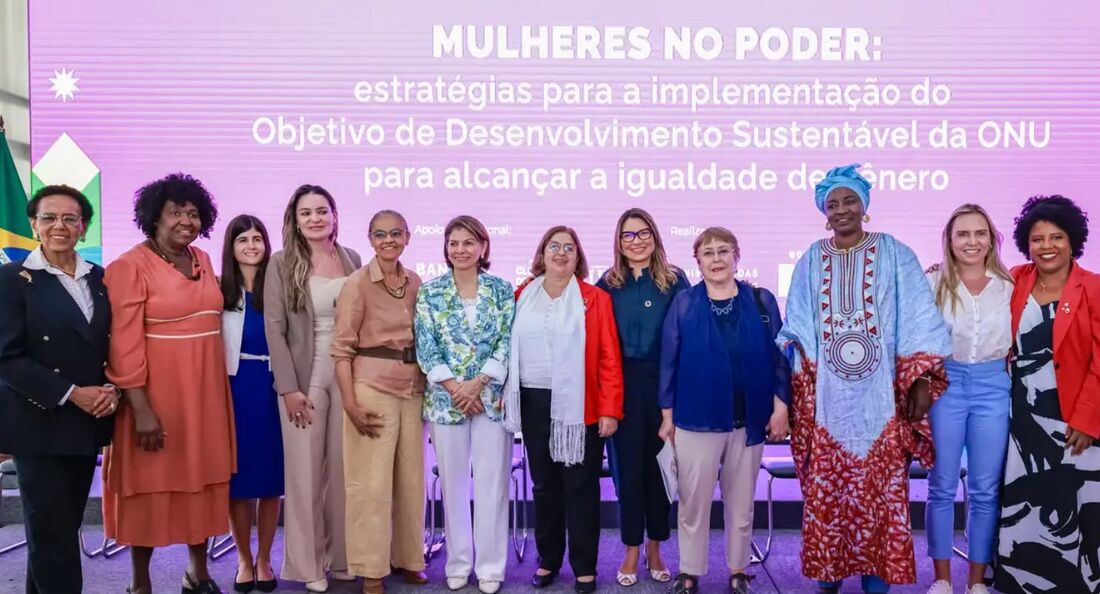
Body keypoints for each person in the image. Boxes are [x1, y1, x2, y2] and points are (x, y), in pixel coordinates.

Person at [778, 164, 952, 594]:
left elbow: (917, 319)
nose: (841, 210)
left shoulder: (895, 253)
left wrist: (918, 383)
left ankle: (878, 577)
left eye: (849, 201)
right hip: (828, 408)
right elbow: (797, 329)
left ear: (864, 206)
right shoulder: (811, 260)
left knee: (881, 495)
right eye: (832, 204)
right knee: (829, 496)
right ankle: (830, 575)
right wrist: (804, 391)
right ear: (824, 212)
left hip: (881, 406)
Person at [103, 173, 236, 594]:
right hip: (156, 397)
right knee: (151, 485)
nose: (186, 220)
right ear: (153, 218)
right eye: (175, 212)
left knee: (203, 479)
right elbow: (123, 344)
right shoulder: (128, 266)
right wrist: (140, 408)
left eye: (193, 213)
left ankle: (198, 572)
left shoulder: (203, 259)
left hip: (206, 393)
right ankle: (140, 583)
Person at [659, 227, 791, 594]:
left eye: (723, 251)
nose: (716, 259)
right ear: (697, 261)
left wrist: (781, 408)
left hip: (748, 421)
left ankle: (738, 569)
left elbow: (779, 360)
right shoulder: (684, 303)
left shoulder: (762, 301)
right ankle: (689, 571)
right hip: (695, 420)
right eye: (708, 253)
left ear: (737, 256)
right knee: (693, 504)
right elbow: (669, 362)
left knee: (741, 502)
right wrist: (667, 417)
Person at [0, 185, 118, 594]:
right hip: (40, 423)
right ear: (33, 224)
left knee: (60, 532)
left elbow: (111, 345)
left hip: (87, 425)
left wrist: (112, 390)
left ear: (84, 227)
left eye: (70, 218)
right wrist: (72, 392)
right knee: (53, 538)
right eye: (49, 217)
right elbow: (7, 358)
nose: (59, 226)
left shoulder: (101, 280)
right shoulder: (11, 280)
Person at [502, 225, 624, 594]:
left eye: (568, 248)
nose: (560, 253)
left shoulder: (594, 299)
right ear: (542, 254)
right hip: (534, 402)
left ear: (578, 258)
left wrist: (609, 410)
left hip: (581, 408)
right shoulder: (522, 295)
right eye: (553, 246)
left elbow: (608, 357)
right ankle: (548, 561)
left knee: (580, 487)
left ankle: (584, 567)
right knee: (545, 486)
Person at [995, 195, 1100, 594]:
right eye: (1038, 239)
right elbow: (974, 281)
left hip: (1077, 419)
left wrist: (1088, 419)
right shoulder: (1017, 279)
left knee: (1078, 510)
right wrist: (940, 272)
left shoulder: (1092, 287)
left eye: (1056, 237)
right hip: (1024, 419)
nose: (1047, 246)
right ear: (1027, 244)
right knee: (1030, 508)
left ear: (1073, 241)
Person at [264, 184, 360, 592]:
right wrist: (287, 388)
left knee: (343, 470)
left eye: (322, 211)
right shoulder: (282, 263)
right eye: (307, 213)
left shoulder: (352, 258)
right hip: (305, 378)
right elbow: (275, 328)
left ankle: (341, 559)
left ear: (335, 215)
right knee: (304, 475)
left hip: (349, 375)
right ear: (296, 220)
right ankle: (308, 566)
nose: (316, 219)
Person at [414, 215, 515, 594]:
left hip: (490, 400)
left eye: (468, 242)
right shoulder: (431, 291)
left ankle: (490, 567)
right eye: (453, 243)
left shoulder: (502, 290)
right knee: (453, 486)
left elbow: (507, 341)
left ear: (483, 247)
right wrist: (457, 388)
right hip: (446, 401)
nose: (460, 249)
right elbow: (426, 344)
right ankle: (458, 563)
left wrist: (478, 384)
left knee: (492, 485)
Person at [332, 209, 427, 594]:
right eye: (380, 234)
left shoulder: (416, 281)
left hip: (412, 389)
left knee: (410, 481)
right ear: (370, 239)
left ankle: (408, 559)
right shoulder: (356, 283)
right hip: (371, 387)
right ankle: (372, 569)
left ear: (408, 236)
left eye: (395, 233)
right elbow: (341, 350)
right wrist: (350, 404)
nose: (388, 240)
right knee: (370, 485)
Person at [595, 208, 688, 587]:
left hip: (665, 388)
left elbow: (687, 338)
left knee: (660, 472)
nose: (637, 240)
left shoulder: (674, 280)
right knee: (627, 474)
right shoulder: (607, 283)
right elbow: (599, 346)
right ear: (618, 241)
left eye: (644, 232)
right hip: (621, 388)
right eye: (629, 235)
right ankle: (631, 549)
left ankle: (656, 547)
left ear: (656, 236)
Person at [923, 205, 1013, 594]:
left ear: (992, 238)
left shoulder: (1011, 285)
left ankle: (977, 582)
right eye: (963, 234)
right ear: (950, 240)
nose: (972, 241)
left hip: (994, 386)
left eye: (980, 233)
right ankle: (942, 579)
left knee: (985, 489)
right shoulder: (933, 283)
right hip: (947, 384)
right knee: (941, 484)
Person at [220, 215, 284, 593]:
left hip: (271, 388)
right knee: (238, 482)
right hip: (233, 387)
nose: (251, 246)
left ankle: (265, 560)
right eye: (242, 239)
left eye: (257, 238)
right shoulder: (218, 291)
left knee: (270, 481)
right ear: (231, 247)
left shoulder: (277, 290)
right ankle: (244, 560)